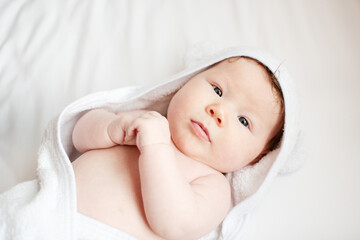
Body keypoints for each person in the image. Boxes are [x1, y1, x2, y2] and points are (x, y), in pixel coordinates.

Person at [71, 56, 284, 240]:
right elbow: (78, 137)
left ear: (256, 159)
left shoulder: (213, 185)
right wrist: (111, 128)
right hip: (50, 209)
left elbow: (174, 223)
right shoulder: (145, 121)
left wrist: (156, 147)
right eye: (217, 90)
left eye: (244, 121)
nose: (218, 111)